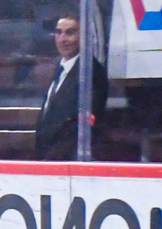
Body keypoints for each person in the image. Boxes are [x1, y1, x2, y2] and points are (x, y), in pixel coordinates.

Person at [34, 15, 108, 161]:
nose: (63, 39)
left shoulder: (91, 71)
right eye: (58, 32)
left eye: (70, 32)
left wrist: (52, 160)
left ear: (83, 36)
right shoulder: (59, 69)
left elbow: (82, 125)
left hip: (68, 162)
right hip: (48, 161)